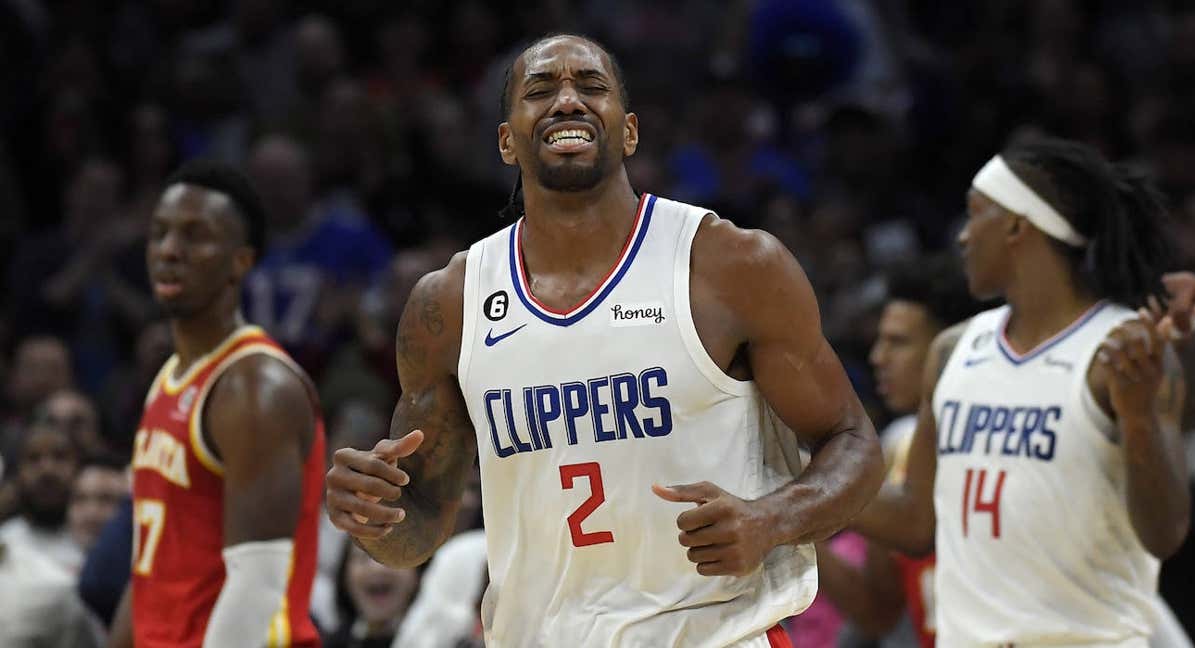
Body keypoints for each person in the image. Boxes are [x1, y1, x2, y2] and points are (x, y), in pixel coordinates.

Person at [326, 33, 883, 647]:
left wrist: (771, 520)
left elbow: (854, 442)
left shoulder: (728, 266)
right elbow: (417, 529)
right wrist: (373, 516)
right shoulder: (449, 303)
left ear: (629, 131)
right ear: (507, 140)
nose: (568, 101)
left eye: (591, 87)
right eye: (540, 91)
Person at [854, 137, 1190, 646]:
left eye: (975, 214)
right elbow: (916, 522)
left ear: (1016, 224)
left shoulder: (1122, 352)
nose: (964, 237)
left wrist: (1139, 417)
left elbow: (1165, 534)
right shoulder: (953, 351)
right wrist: (799, 478)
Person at [108, 160, 326, 648]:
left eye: (194, 236)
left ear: (240, 261)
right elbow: (150, 570)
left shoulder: (255, 389)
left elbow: (257, 586)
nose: (169, 251)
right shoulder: (169, 377)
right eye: (159, 233)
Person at [816, 255, 978, 648]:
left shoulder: (990, 437)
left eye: (898, 342)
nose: (878, 358)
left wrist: (801, 495)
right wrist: (787, 519)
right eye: (879, 341)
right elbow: (876, 610)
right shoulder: (900, 445)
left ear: (947, 348)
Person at [0, 421, 83, 572]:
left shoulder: (97, 543)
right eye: (33, 458)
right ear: (17, 473)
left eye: (59, 457)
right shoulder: (4, 540)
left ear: (79, 467)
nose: (47, 470)